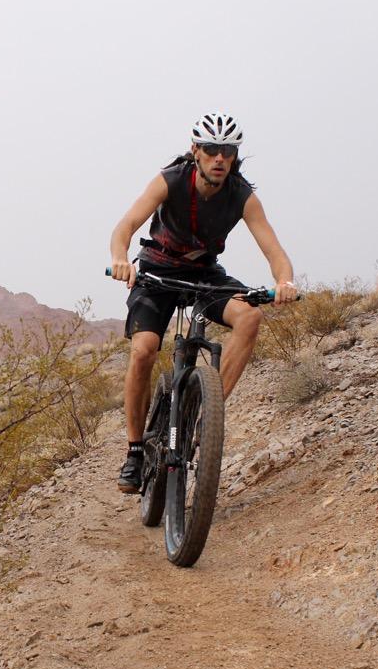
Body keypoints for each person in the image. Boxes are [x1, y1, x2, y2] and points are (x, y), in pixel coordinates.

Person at [108, 112, 298, 493]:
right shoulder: (170, 181)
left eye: (227, 151)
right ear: (195, 150)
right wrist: (120, 259)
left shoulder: (242, 196)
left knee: (249, 317)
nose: (219, 158)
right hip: (157, 272)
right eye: (211, 149)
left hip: (204, 275)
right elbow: (125, 227)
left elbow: (274, 249)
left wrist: (284, 281)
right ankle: (134, 451)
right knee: (144, 350)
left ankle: (206, 412)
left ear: (234, 155)